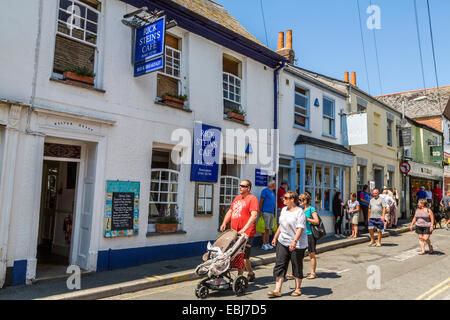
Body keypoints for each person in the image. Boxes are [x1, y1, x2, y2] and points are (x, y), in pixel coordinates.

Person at [268, 191, 307, 297]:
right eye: (283, 197)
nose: (283, 199)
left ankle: (298, 288)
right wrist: (275, 237)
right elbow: (281, 225)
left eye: (285, 197)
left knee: (296, 264)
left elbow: (300, 228)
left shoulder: (299, 212)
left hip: (297, 243)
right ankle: (277, 290)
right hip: (283, 241)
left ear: (292, 199)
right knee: (280, 264)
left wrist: (294, 241)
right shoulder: (284, 210)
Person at [220, 179, 258, 282]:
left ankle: (239, 278)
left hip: (246, 233)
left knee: (242, 256)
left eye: (242, 186)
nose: (240, 187)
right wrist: (224, 222)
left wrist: (244, 229)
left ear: (248, 188)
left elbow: (254, 216)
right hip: (234, 232)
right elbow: (231, 211)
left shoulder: (252, 199)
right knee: (236, 255)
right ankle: (250, 273)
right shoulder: (237, 198)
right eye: (240, 185)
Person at [301, 192, 320, 279]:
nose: (299, 201)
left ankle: (313, 273)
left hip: (310, 234)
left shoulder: (311, 209)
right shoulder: (301, 210)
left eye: (301, 200)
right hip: (302, 235)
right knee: (299, 254)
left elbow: (316, 221)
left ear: (305, 200)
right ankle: (298, 272)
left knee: (311, 254)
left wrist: (307, 219)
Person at [259, 181, 276, 250]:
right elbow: (261, 201)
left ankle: (267, 243)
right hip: (265, 212)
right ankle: (264, 243)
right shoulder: (265, 191)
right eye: (275, 184)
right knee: (265, 228)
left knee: (268, 228)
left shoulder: (272, 192)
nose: (276, 185)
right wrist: (260, 211)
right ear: (272, 184)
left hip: (271, 212)